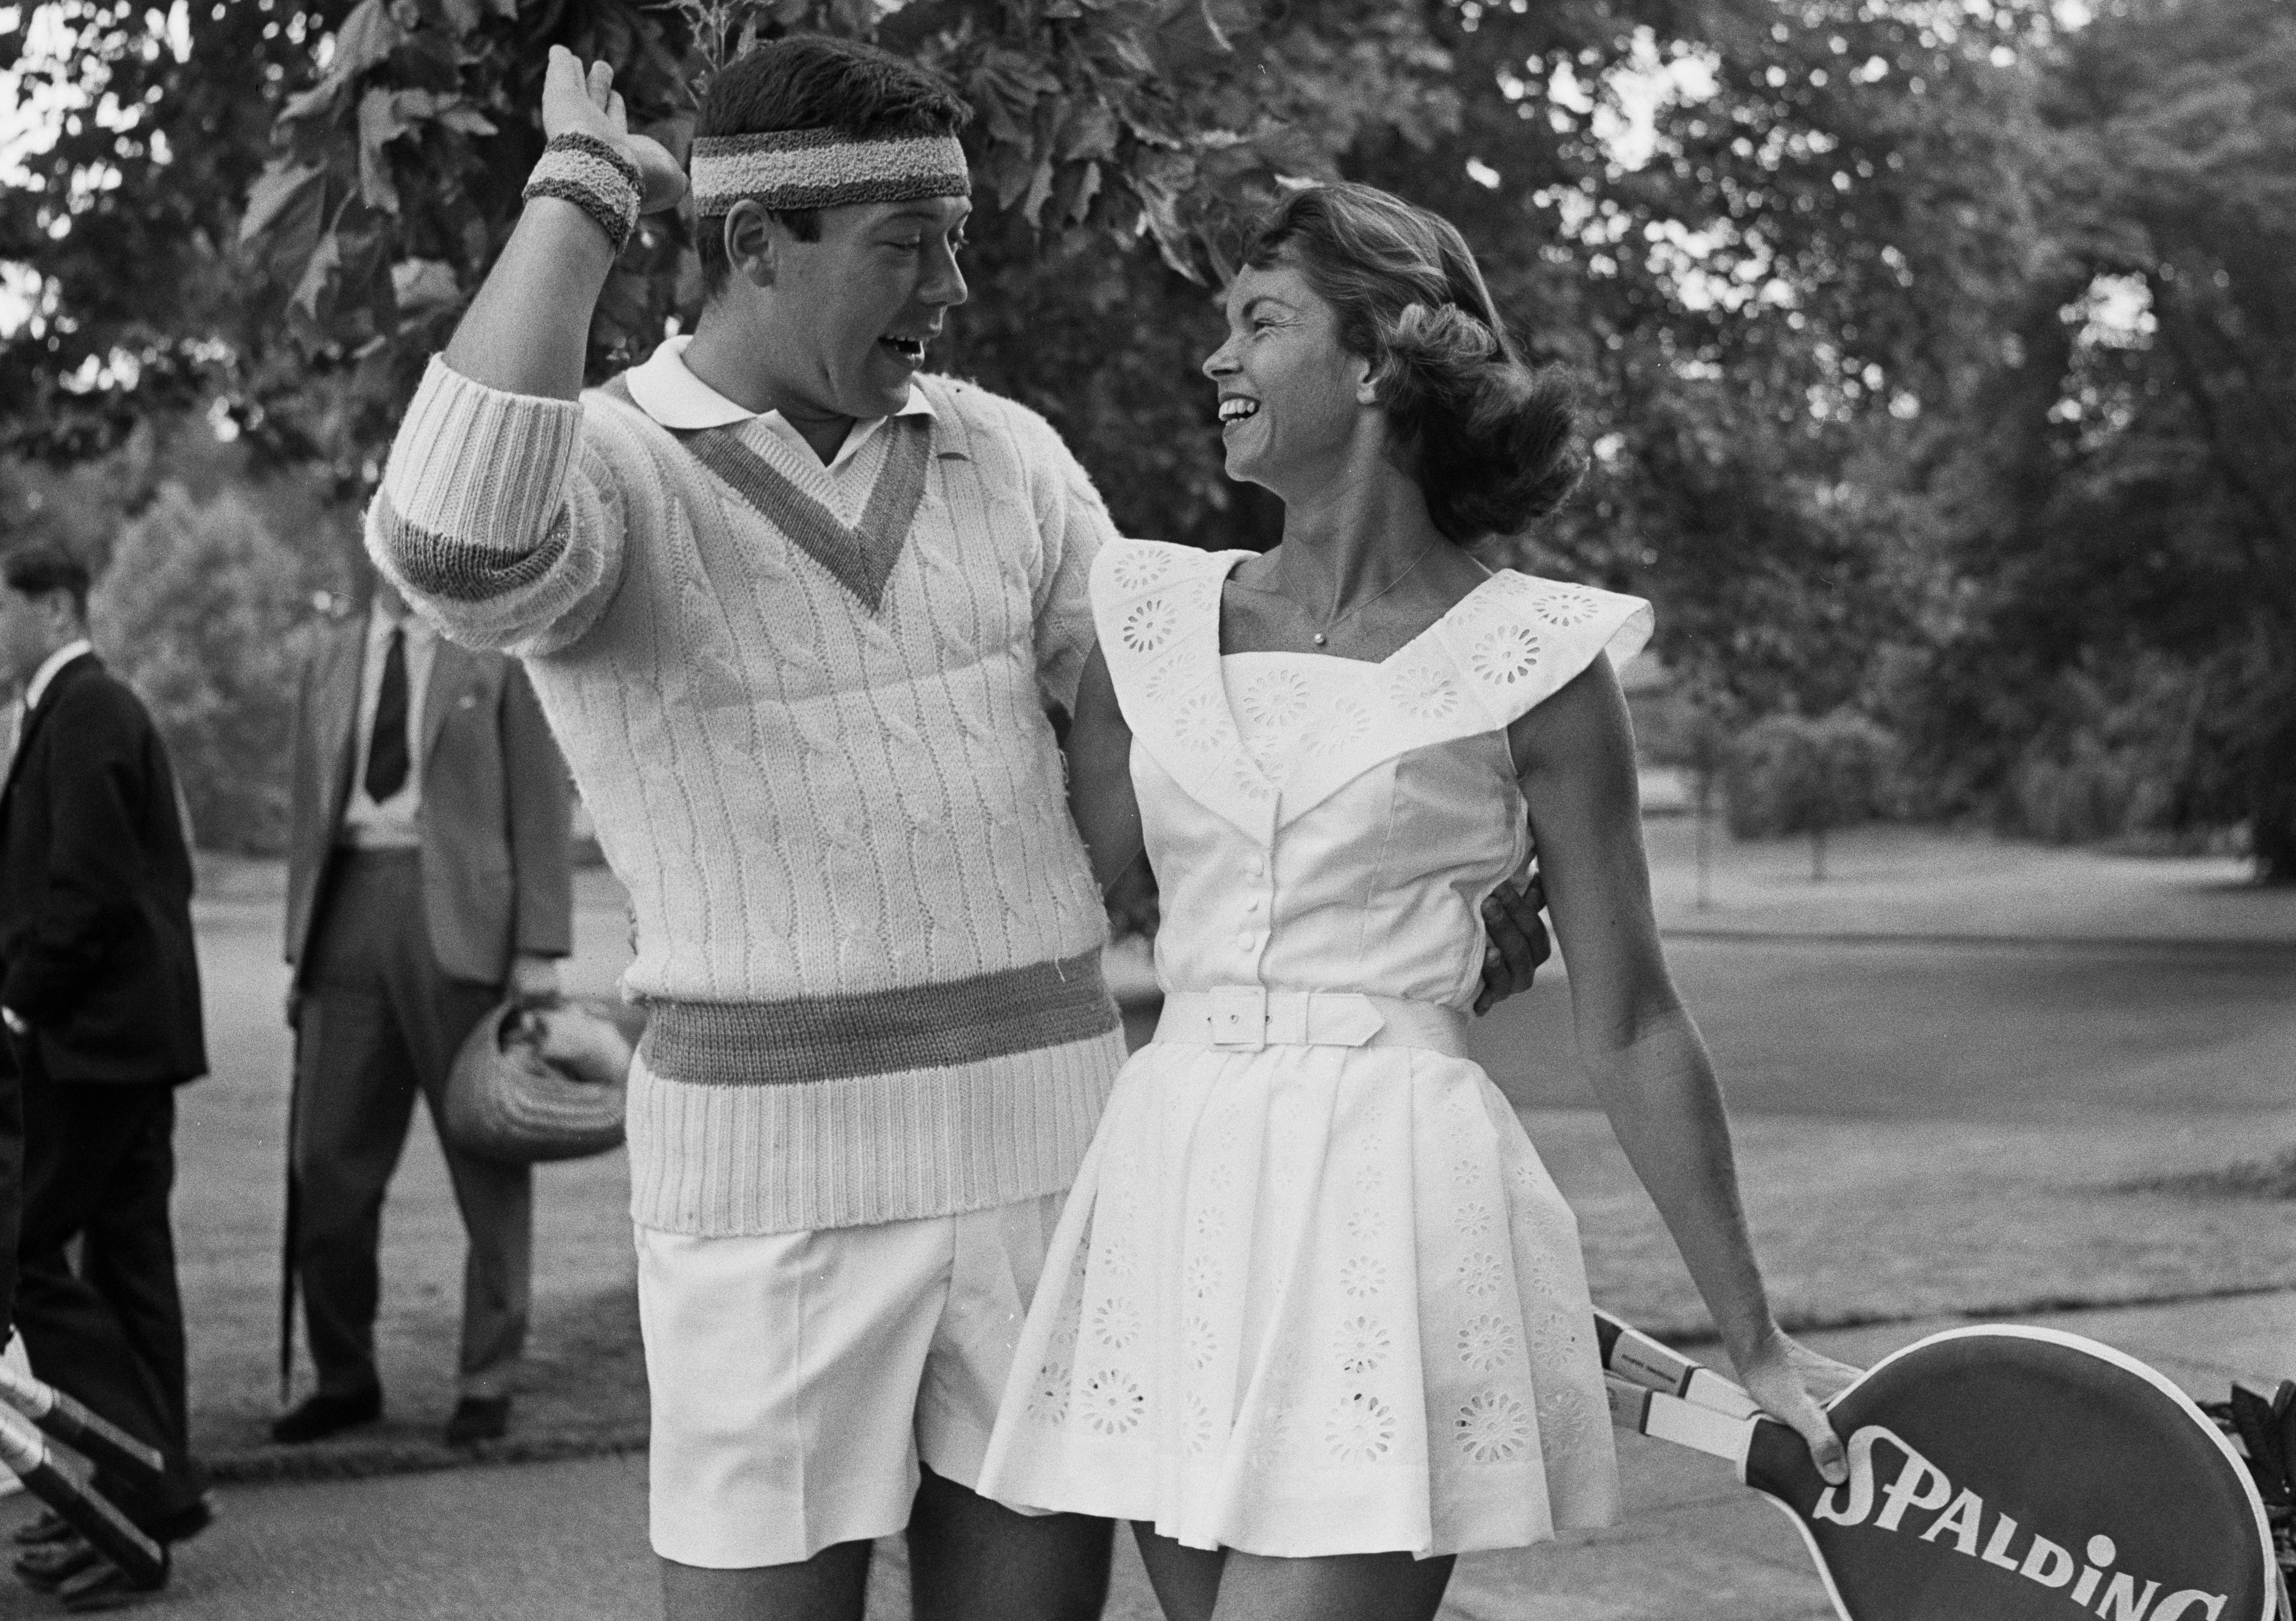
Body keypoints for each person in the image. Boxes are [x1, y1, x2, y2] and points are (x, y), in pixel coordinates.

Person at [364, 38, 1552, 1621]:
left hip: (1047, 1158)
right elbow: (448, 540)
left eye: (958, 234)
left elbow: (1207, 736)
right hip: (761, 1187)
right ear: (751, 248)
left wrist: (1428, 876)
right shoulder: (612, 468)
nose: (955, 281)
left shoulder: (1010, 456)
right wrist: (579, 197)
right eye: (906, 245)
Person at [973, 184, 1859, 1621]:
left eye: (1258, 323)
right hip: (1172, 1178)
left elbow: (1630, 1018)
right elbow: (1088, 896)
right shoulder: (1142, 622)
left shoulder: (1538, 659)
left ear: (1380, 357)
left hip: (1389, 1191)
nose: (1215, 361)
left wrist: (1752, 1338)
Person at [275, 573, 573, 1448]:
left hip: (464, 931)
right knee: (326, 1166)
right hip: (345, 920)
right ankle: (344, 1377)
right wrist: (299, 954)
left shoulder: (497, 647)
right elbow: (305, 820)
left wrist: (539, 947)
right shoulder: (326, 660)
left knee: (485, 1161)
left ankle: (487, 1378)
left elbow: (540, 800)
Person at [0, 544, 211, 1607]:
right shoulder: (78, 707)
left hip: (90, 1042)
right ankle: (135, 1510)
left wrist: (15, 998)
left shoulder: (83, 711)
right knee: (130, 1269)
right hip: (126, 1042)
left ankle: (148, 1488)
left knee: (25, 1253)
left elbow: (85, 886)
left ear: (49, 608)